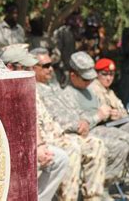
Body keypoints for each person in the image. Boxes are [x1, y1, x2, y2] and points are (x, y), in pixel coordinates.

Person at [40, 50, 129, 186]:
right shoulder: (68, 94)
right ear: (73, 76)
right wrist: (98, 116)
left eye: (90, 78)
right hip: (89, 132)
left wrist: (111, 114)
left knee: (127, 140)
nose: (89, 82)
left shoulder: (89, 91)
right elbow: (80, 123)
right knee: (121, 146)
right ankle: (102, 184)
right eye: (85, 79)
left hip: (102, 127)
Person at [31, 47, 106, 200]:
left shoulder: (54, 87)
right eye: (45, 66)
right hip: (51, 137)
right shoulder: (33, 89)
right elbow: (53, 118)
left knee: (97, 145)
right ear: (33, 68)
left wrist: (85, 121)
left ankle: (93, 197)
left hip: (69, 134)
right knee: (72, 149)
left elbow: (71, 110)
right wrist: (77, 125)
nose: (50, 69)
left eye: (51, 65)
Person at [1, 44, 69, 201]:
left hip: (28, 146)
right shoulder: (1, 90)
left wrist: (39, 146)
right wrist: (35, 150)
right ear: (10, 67)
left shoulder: (24, 86)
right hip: (9, 150)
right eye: (26, 67)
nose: (31, 71)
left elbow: (33, 120)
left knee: (59, 158)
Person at [89, 58, 129, 122]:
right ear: (96, 74)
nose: (108, 78)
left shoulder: (110, 92)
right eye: (104, 74)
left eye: (111, 74)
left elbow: (124, 112)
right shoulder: (92, 89)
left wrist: (119, 114)